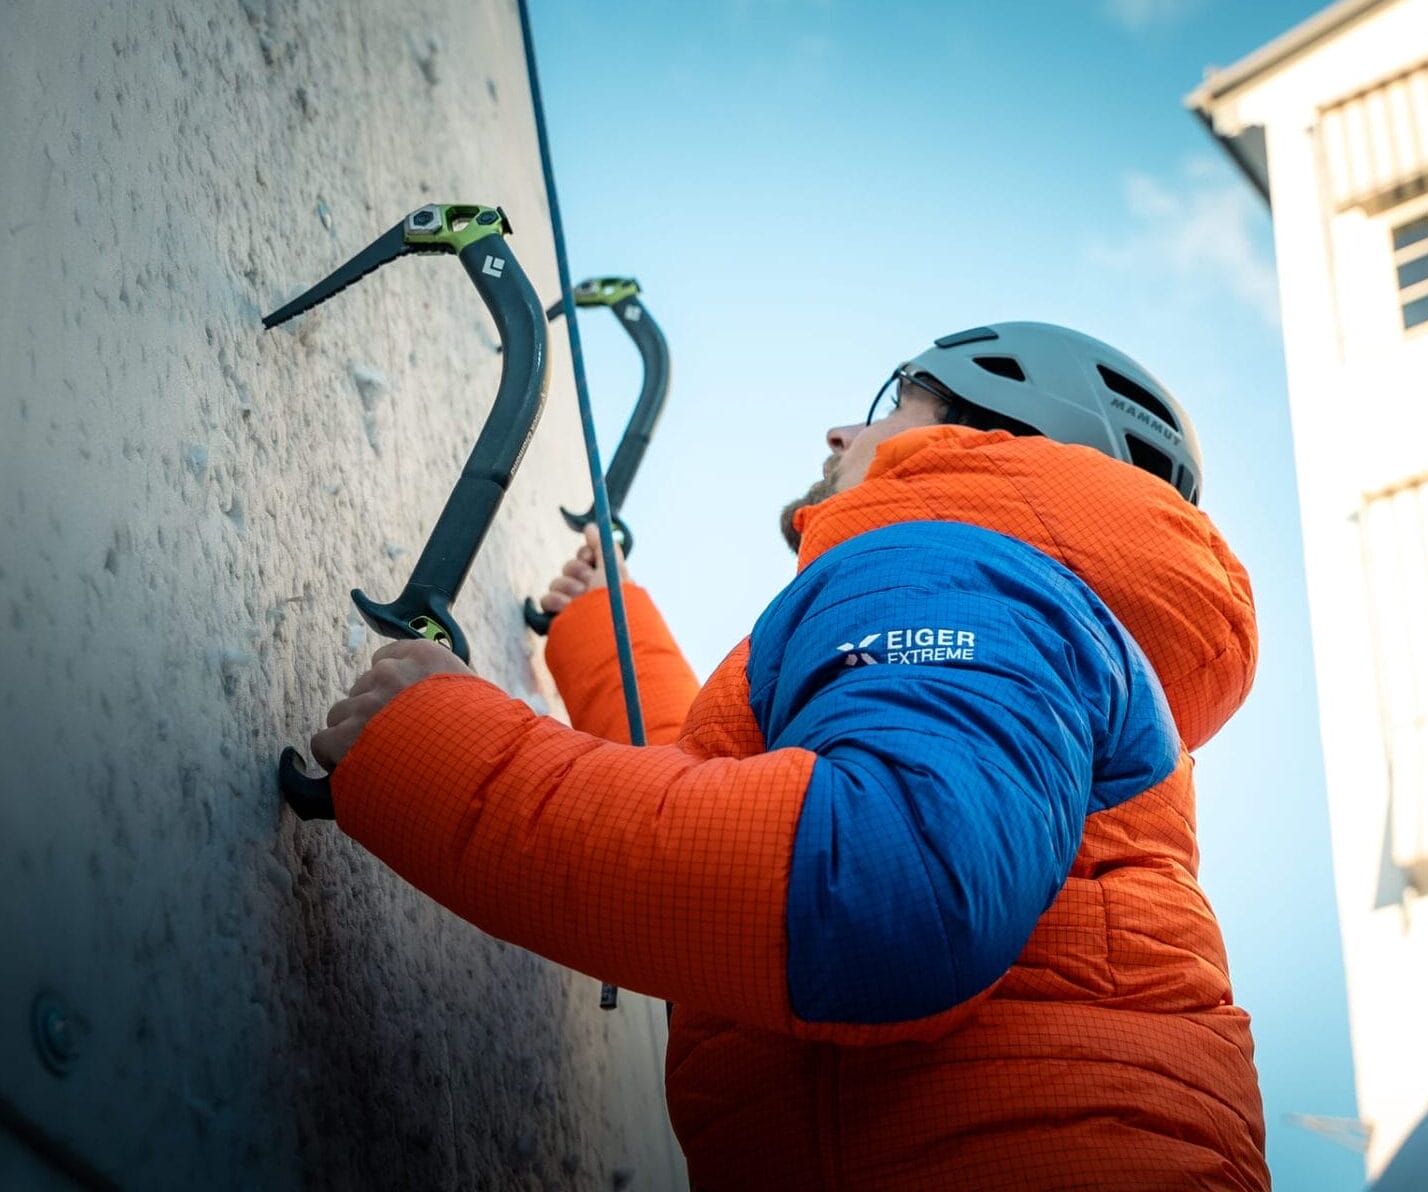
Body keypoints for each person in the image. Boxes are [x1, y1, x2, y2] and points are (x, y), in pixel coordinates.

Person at [312, 321, 1270, 1191]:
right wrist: (602, 628)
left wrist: (430, 750)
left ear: (991, 440)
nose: (839, 436)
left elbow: (879, 878)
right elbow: (740, 815)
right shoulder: (1029, 610)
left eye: (892, 409)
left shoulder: (964, 559)